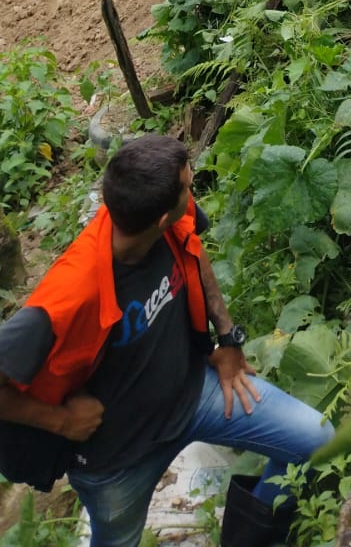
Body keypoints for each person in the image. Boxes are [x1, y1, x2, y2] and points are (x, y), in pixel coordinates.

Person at [0, 134, 333, 547]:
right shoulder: (71, 292)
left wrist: (228, 337)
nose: (192, 193)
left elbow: (193, 244)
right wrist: (62, 421)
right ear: (160, 218)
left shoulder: (166, 219)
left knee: (315, 441)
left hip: (197, 395)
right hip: (117, 459)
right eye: (188, 187)